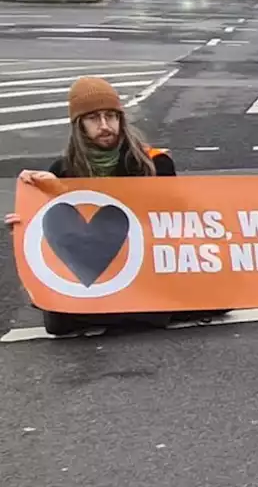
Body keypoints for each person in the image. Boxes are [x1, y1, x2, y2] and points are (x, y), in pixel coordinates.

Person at [3, 77, 223, 335]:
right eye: (94, 118)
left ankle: (116, 312)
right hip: (98, 271)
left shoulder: (154, 164)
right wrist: (27, 225)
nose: (105, 126)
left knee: (219, 299)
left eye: (111, 116)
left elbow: (172, 226)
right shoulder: (62, 171)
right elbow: (60, 239)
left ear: (121, 119)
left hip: (146, 266)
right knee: (58, 321)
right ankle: (140, 312)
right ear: (79, 125)